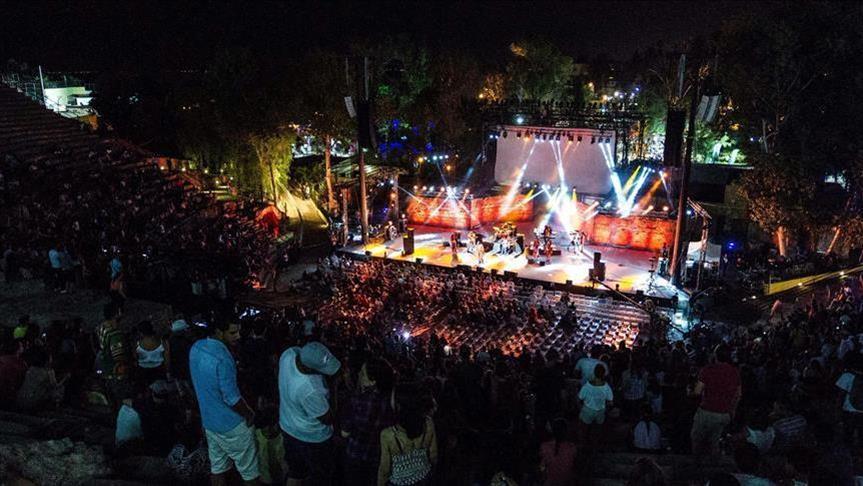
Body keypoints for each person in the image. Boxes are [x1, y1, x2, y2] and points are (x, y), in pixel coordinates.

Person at [189, 320, 260, 485]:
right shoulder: (223, 358)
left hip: (210, 422)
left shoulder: (196, 347)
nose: (238, 336)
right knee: (249, 473)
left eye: (238, 331)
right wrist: (249, 415)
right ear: (219, 332)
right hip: (233, 426)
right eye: (233, 333)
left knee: (218, 468)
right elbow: (231, 398)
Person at [278, 341, 341, 486]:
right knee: (321, 476)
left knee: (296, 471)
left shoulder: (288, 355)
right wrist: (334, 386)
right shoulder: (310, 389)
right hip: (312, 438)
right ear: (308, 368)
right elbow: (328, 418)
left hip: (288, 427)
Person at [341, 357, 395, 486]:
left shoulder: (358, 400)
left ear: (373, 380)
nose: (359, 374)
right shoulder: (393, 400)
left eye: (363, 373)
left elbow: (345, 433)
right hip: (380, 456)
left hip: (356, 454)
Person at [377, 383, 438, 486]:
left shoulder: (388, 435)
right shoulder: (428, 423)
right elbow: (433, 454)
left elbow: (385, 469)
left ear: (398, 405)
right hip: (423, 477)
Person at [690, 344, 741, 456]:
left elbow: (697, 392)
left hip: (707, 412)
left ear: (715, 355)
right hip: (724, 414)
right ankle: (713, 463)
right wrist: (732, 411)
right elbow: (738, 395)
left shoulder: (707, 370)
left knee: (697, 440)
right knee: (715, 442)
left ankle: (698, 462)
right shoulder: (735, 372)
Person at [97, 303, 129, 407]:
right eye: (119, 311)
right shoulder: (115, 334)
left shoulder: (100, 327)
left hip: (106, 369)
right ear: (115, 314)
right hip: (116, 373)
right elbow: (119, 358)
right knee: (122, 401)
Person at [15, 346, 67, 411]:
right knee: (59, 389)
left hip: (20, 400)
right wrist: (65, 378)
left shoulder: (31, 369)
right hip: (33, 403)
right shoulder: (49, 372)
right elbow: (55, 387)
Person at [578, 363, 613, 444]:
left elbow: (579, 398)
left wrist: (580, 407)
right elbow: (610, 402)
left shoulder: (587, 386)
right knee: (597, 430)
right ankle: (595, 445)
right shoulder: (607, 387)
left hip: (587, 410)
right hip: (600, 410)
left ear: (594, 372)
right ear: (603, 374)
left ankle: (584, 444)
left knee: (584, 429)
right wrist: (606, 409)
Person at [539, 417, 577, 486]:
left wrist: (543, 475)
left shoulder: (544, 446)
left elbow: (542, 466)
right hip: (566, 481)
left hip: (551, 481)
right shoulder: (572, 447)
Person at [135, 320, 169, 387]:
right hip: (160, 371)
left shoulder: (137, 345)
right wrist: (168, 371)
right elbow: (167, 358)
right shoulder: (162, 342)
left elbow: (136, 360)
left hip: (146, 374)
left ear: (141, 333)